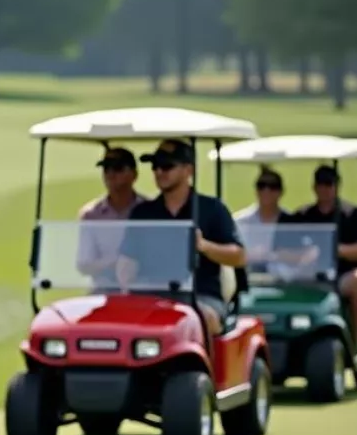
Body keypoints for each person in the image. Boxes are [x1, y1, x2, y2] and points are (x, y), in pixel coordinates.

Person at [119, 139, 245, 336]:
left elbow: (238, 256)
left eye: (167, 166)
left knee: (200, 319)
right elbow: (127, 263)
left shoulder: (211, 209)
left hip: (200, 296)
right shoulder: (143, 213)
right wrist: (125, 283)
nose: (159, 172)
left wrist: (204, 246)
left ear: (189, 170)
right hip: (150, 296)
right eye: (155, 166)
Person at [290, 164, 357, 345]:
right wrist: (304, 256)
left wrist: (335, 250)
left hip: (343, 275)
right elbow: (283, 251)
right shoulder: (303, 215)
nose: (325, 189)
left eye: (329, 184)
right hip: (309, 276)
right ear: (314, 187)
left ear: (337, 186)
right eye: (321, 184)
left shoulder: (352, 214)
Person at [75, 146, 146, 285]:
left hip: (143, 288)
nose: (111, 174)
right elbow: (84, 264)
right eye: (106, 169)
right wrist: (116, 264)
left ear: (134, 174)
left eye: (118, 169)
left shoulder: (149, 210)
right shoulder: (91, 214)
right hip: (104, 289)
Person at [234, 167, 293, 278]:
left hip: (283, 278)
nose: (266, 191)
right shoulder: (240, 221)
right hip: (249, 276)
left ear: (281, 191)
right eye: (261, 186)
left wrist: (276, 256)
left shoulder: (291, 222)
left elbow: (302, 256)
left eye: (273, 186)